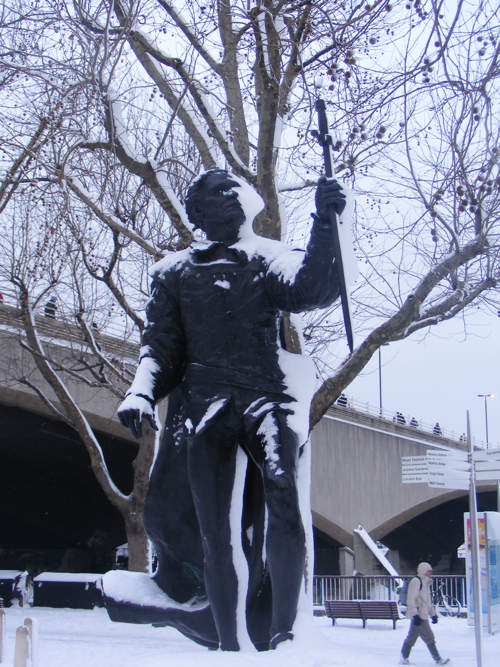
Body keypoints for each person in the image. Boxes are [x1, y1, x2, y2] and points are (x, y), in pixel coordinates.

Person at [115, 169, 345, 651]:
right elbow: (160, 347)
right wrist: (141, 391)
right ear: (201, 212)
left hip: (266, 397)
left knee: (283, 499)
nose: (238, 198)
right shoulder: (171, 274)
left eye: (236, 191)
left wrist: (325, 221)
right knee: (215, 530)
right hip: (207, 406)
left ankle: (285, 634)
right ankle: (229, 643)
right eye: (224, 192)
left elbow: (313, 290)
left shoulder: (268, 260)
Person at [399, 562, 449, 665]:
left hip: (422, 614)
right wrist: (415, 615)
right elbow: (410, 599)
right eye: (429, 571)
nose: (430, 573)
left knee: (411, 637)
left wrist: (432, 614)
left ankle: (403, 658)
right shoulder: (416, 581)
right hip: (419, 615)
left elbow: (427, 601)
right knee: (429, 636)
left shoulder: (426, 582)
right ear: (423, 570)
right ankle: (438, 659)